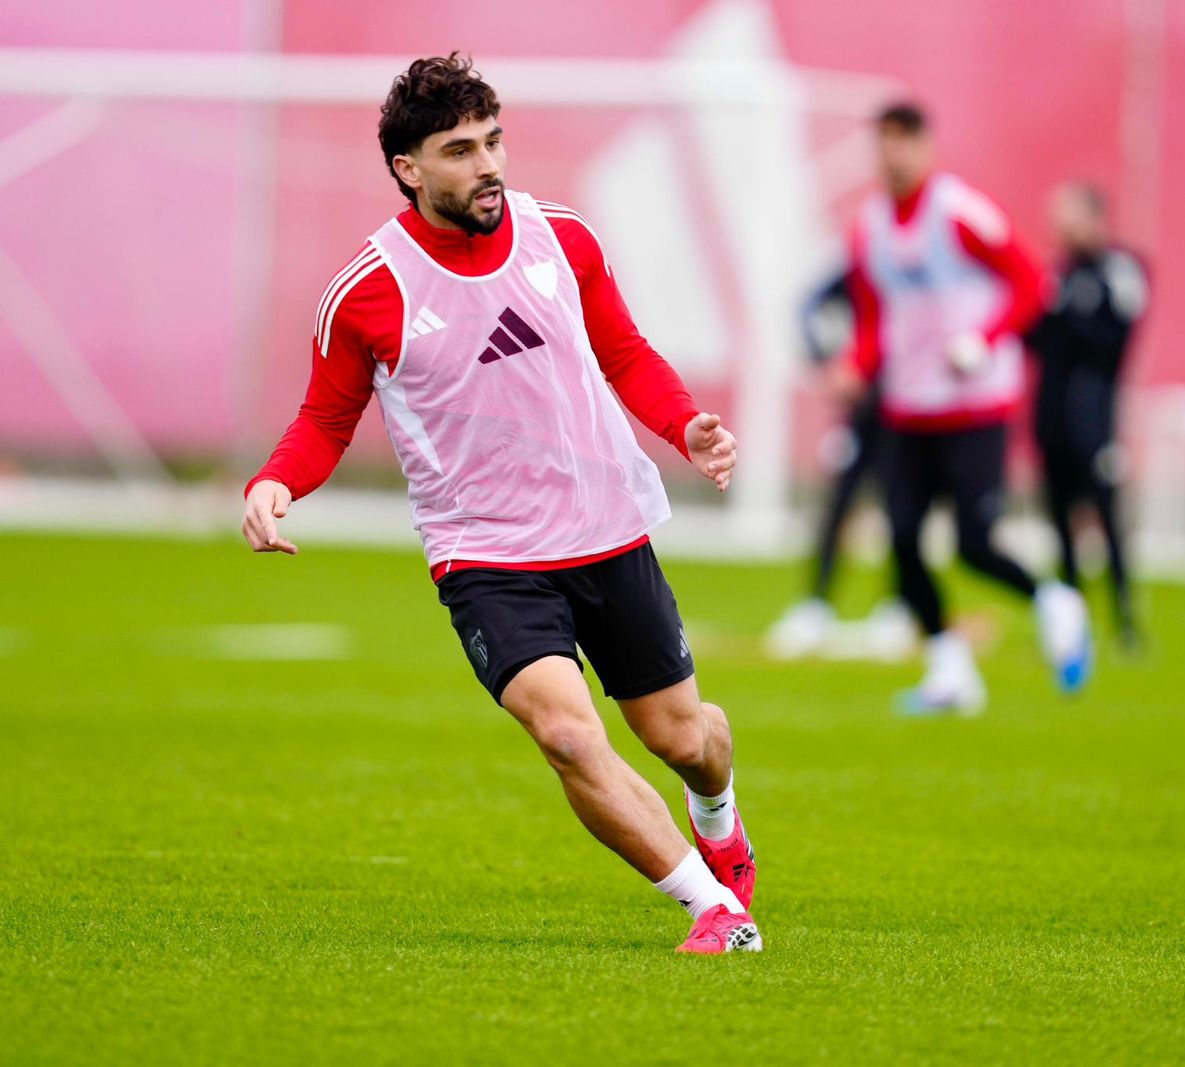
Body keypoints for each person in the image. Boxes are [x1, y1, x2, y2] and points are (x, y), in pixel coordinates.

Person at [240, 55, 760, 955]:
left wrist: (688, 428)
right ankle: (712, 905)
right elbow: (326, 416)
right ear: (409, 168)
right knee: (565, 732)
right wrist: (275, 481)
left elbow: (625, 352)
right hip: (487, 558)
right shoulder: (368, 289)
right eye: (459, 150)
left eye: (493, 141)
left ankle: (718, 813)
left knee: (685, 738)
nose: (487, 165)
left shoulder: (564, 237)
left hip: (607, 530)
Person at [839, 102, 1091, 714]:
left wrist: (983, 340)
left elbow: (1033, 282)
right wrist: (858, 364)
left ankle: (1055, 600)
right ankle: (950, 671)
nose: (893, 155)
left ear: (926, 147)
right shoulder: (868, 227)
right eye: (884, 143)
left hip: (976, 406)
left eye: (904, 142)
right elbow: (877, 316)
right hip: (910, 407)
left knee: (974, 544)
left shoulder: (960, 213)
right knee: (900, 539)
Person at [764, 270, 913, 661]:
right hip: (864, 412)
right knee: (839, 506)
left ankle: (897, 608)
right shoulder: (865, 264)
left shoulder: (920, 274)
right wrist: (828, 360)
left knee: (901, 510)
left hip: (907, 409)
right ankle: (816, 606)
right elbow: (810, 305)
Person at [1029, 182, 1149, 649]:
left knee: (1105, 516)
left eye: (1070, 214)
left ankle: (1125, 621)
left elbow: (1112, 339)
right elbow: (1035, 338)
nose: (1061, 225)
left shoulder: (1121, 270)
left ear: (1097, 217)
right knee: (1058, 522)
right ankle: (1073, 624)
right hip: (1051, 417)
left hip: (1094, 418)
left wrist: (1068, 316)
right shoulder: (1053, 275)